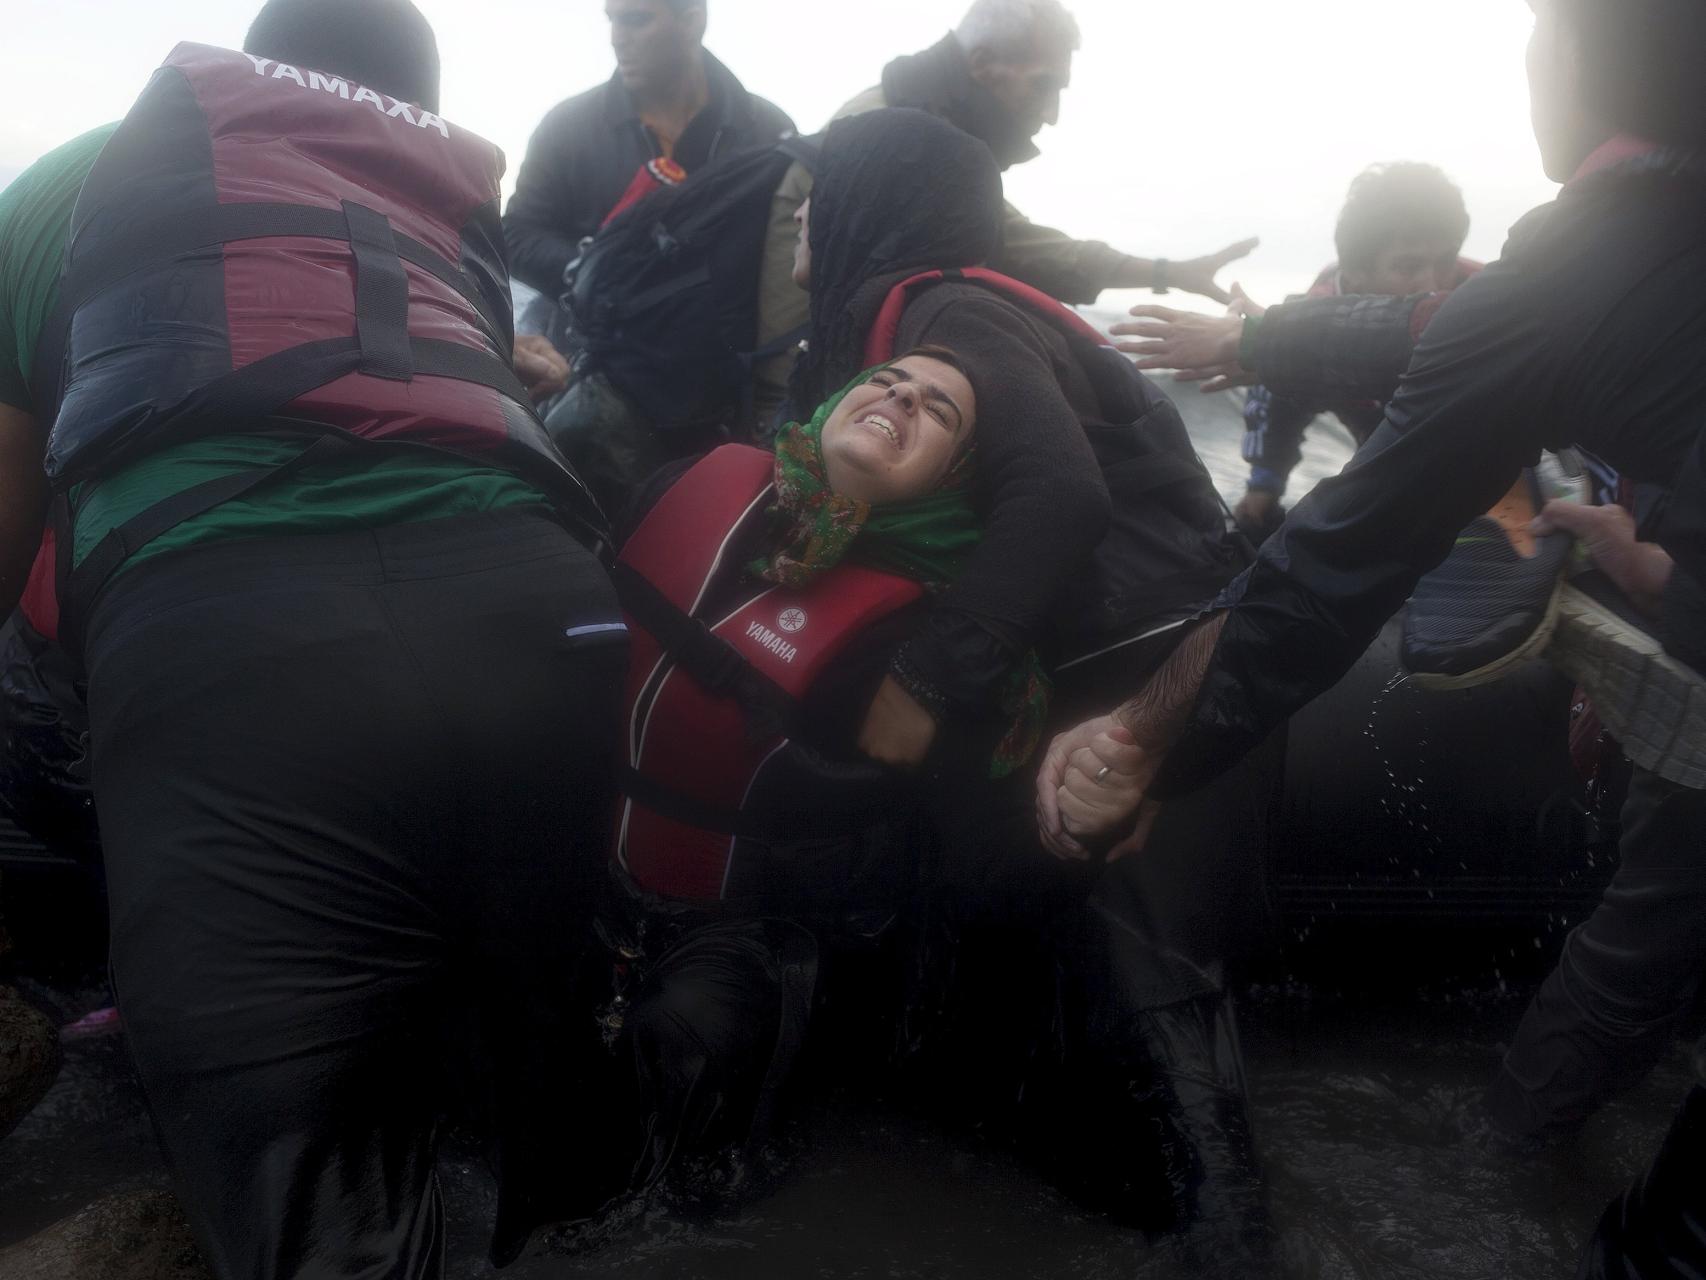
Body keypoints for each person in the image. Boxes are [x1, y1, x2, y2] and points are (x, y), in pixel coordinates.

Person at [1038, 0, 1706, 1271]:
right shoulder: (1617, 261)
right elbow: (1328, 414)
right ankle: (1527, 1157)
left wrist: (1140, 738)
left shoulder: (1567, 264)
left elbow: (1334, 556)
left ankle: (1513, 1160)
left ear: (1574, 57)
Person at [1, 2, 626, 1274]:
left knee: (311, 1193)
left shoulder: (77, 174)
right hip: (542, 616)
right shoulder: (436, 199)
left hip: (241, 641)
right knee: (540, 1066)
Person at [603, 344, 1275, 1264]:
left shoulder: (932, 645)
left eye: (940, 412)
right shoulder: (689, 487)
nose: (900, 398)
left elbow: (980, 868)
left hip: (761, 928)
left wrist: (1090, 813)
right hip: (600, 866)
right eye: (885, 381)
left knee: (686, 1040)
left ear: (955, 478)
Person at [748, 0, 1259, 429]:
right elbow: (1021, 245)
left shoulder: (923, 133)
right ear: (982, 63)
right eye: (1043, 85)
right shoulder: (896, 141)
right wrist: (1168, 273)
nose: (1053, 112)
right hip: (784, 393)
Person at [1234, 162, 1478, 540]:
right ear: (1355, 271)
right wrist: (1264, 483)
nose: (1433, 284)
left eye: (1445, 262)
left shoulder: (1485, 296)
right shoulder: (1308, 321)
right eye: (1408, 266)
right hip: (1387, 459)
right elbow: (1277, 399)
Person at [503, 0, 794, 299]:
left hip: (729, 340)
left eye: (636, 20)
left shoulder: (769, 130)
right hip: (595, 341)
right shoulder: (567, 127)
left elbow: (792, 249)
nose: (616, 38)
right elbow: (516, 235)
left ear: (693, 22)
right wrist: (590, 267)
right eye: (612, 20)